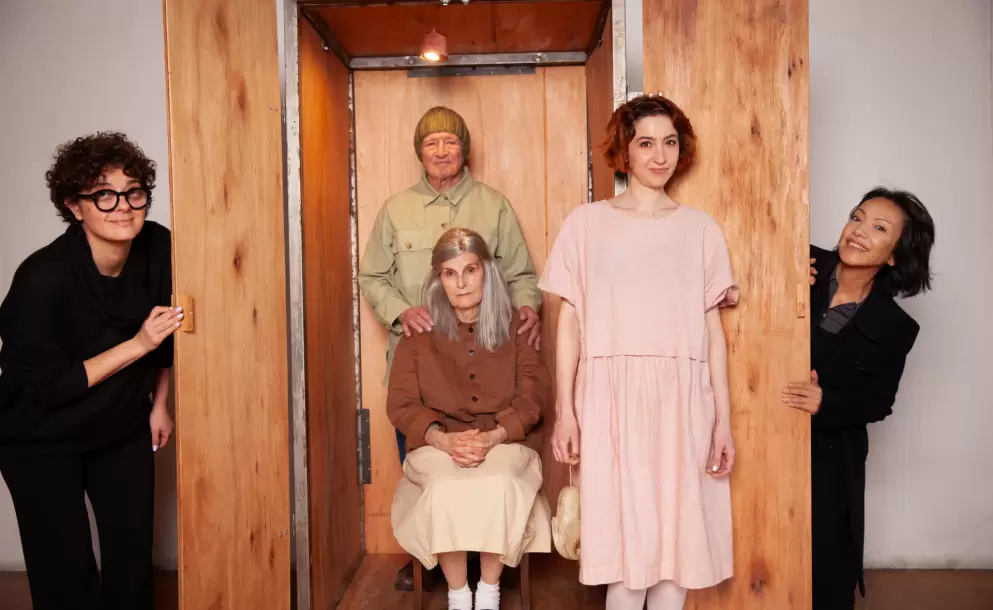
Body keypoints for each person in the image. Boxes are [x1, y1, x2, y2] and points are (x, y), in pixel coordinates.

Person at [541, 93, 738, 610]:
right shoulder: (585, 224)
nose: (660, 155)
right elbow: (570, 323)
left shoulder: (701, 230)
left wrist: (723, 421)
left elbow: (712, 333)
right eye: (646, 143)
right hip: (609, 401)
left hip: (682, 401)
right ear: (624, 150)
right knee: (624, 556)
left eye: (669, 142)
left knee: (680, 548)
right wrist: (566, 411)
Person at [358, 106, 543, 589]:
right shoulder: (396, 209)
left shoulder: (494, 205)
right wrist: (401, 311)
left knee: (487, 467)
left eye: (450, 141)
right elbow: (372, 276)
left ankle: (484, 558)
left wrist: (525, 311)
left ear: (465, 148)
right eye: (431, 143)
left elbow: (522, 274)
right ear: (419, 152)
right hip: (424, 363)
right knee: (429, 463)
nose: (441, 151)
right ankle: (430, 554)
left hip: (489, 354)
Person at [0, 132, 180, 610]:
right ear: (74, 206)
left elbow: (168, 331)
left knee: (132, 564)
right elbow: (48, 386)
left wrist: (159, 404)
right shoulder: (41, 278)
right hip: (39, 435)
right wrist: (136, 344)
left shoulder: (158, 245)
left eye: (134, 192)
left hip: (119, 423)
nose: (123, 206)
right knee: (65, 576)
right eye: (104, 194)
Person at [782, 188, 935, 610]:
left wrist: (824, 402)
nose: (859, 231)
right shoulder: (797, 259)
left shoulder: (896, 327)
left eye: (879, 228)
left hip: (831, 458)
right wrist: (776, 274)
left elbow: (879, 402)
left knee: (825, 573)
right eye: (857, 217)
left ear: (896, 255)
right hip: (760, 433)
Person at [388, 228, 551, 610]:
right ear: (438, 280)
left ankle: (489, 592)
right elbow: (402, 404)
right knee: (444, 486)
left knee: (498, 482)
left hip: (505, 439)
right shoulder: (419, 333)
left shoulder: (517, 326)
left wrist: (494, 437)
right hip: (438, 442)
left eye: (470, 270)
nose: (461, 283)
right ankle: (459, 595)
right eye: (450, 273)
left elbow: (533, 397)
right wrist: (443, 440)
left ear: (487, 272)